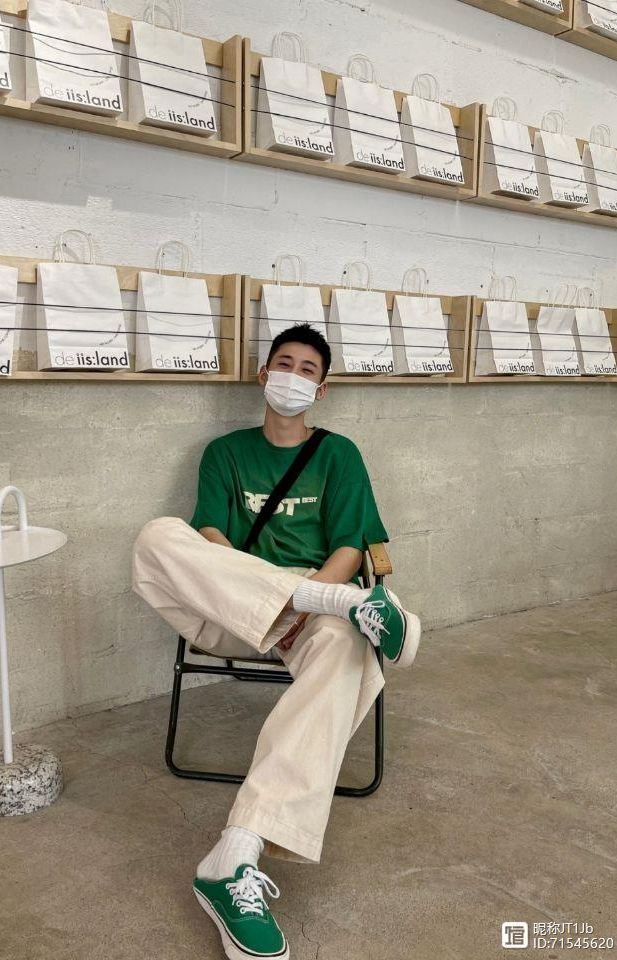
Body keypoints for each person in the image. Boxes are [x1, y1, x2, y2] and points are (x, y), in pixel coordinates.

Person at [131, 323, 421, 960]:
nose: (293, 376)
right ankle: (340, 606)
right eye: (283, 364)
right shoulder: (224, 452)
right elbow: (210, 538)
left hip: (318, 600)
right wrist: (280, 597)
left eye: (307, 369)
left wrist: (312, 594)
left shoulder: (339, 454)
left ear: (321, 388)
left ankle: (235, 855)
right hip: (234, 603)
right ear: (264, 375)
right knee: (157, 538)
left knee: (347, 648)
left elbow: (351, 546)